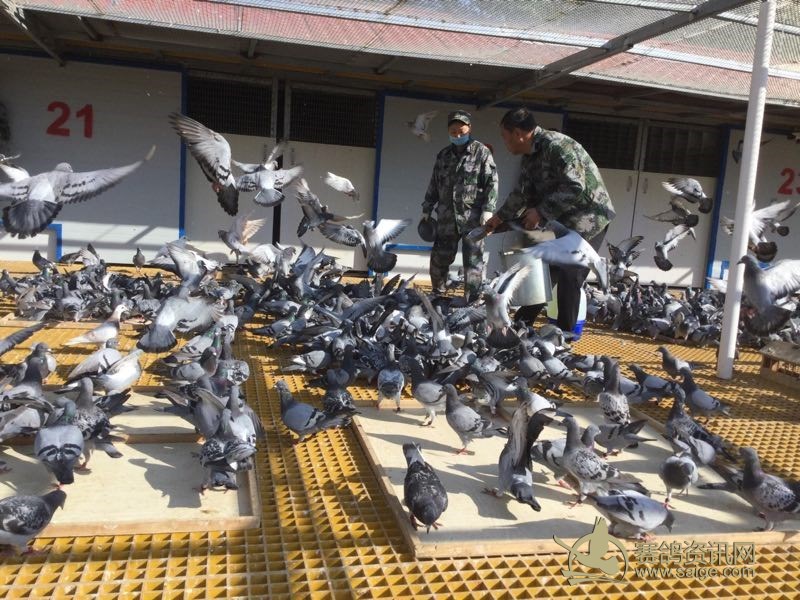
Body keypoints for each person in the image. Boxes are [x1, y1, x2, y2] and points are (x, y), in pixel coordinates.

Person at [483, 107, 615, 332]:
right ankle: (522, 325)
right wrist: (498, 218)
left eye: (505, 137)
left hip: (589, 220)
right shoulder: (530, 157)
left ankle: (563, 337)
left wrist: (540, 212)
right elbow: (521, 194)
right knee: (541, 269)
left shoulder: (558, 146)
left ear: (518, 134)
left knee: (570, 274)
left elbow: (575, 186)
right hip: (562, 222)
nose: (505, 143)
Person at [421, 110, 498, 301]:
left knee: (473, 262)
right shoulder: (443, 155)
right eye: (453, 131)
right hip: (446, 217)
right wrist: (427, 208)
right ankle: (438, 295)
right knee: (440, 258)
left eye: (461, 131)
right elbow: (434, 183)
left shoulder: (481, 152)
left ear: (469, 128)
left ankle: (472, 301)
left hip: (473, 218)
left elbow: (492, 182)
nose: (457, 135)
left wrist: (488, 210)